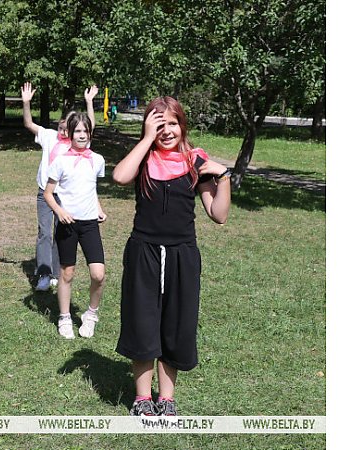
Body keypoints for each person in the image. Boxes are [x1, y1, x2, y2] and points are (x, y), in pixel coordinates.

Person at [111, 96, 231, 416]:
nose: (167, 131)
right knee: (143, 322)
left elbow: (218, 215)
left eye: (173, 123)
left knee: (175, 325)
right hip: (143, 253)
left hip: (182, 255)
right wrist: (147, 138)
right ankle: (141, 399)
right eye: (159, 124)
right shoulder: (143, 158)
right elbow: (120, 177)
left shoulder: (196, 161)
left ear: (183, 125)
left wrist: (225, 177)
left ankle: (166, 398)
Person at [21, 82, 98, 292]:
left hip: (67, 196)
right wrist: (26, 103)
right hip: (44, 193)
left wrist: (89, 102)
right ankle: (44, 274)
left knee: (60, 233)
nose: (63, 130)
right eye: (61, 126)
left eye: (68, 128)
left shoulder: (78, 143)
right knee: (44, 232)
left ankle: (56, 272)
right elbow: (28, 124)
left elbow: (90, 124)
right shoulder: (48, 136)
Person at [42, 109, 107, 340]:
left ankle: (91, 314)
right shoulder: (60, 161)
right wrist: (60, 212)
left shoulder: (97, 160)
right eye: (77, 131)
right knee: (66, 273)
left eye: (86, 131)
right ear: (69, 133)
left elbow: (91, 188)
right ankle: (65, 317)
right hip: (67, 224)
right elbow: (48, 194)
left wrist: (98, 209)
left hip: (89, 224)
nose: (82, 135)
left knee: (98, 274)